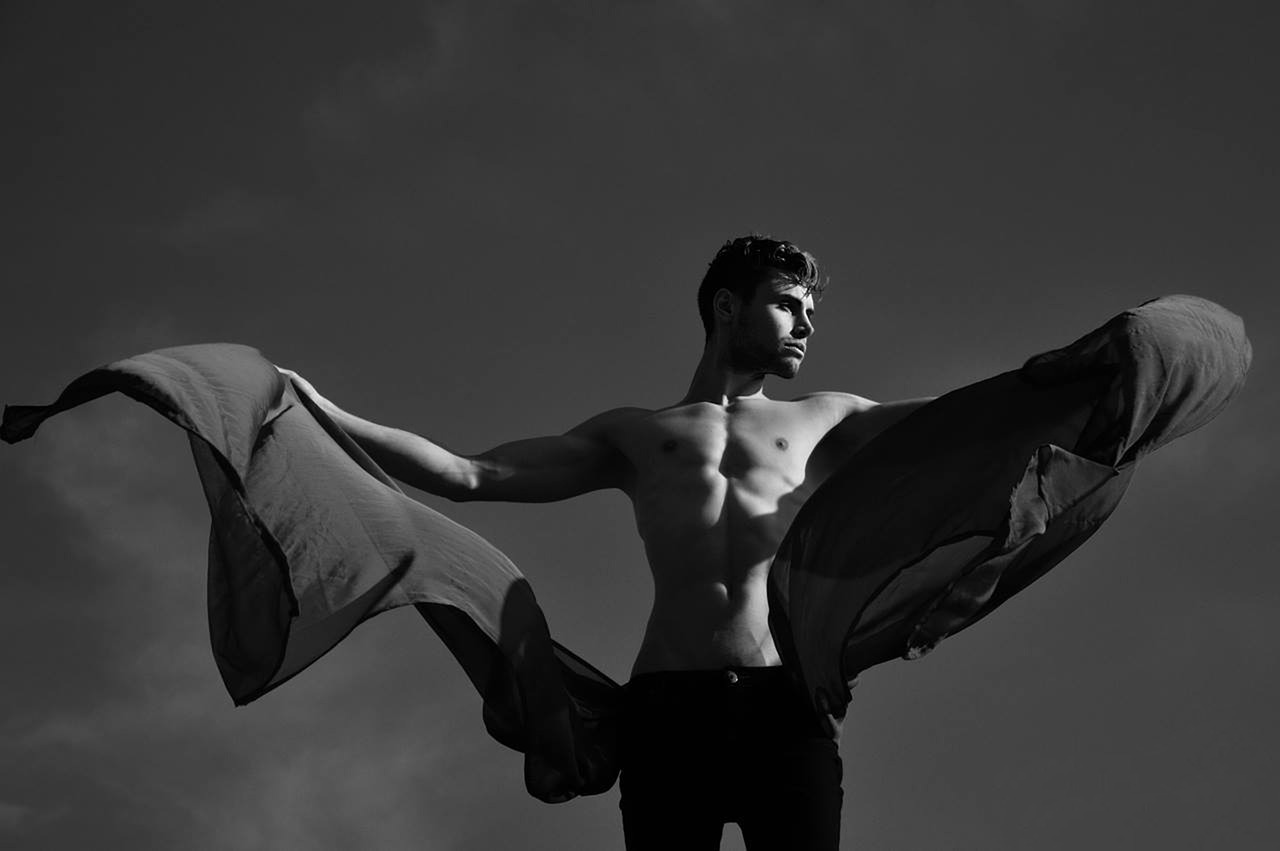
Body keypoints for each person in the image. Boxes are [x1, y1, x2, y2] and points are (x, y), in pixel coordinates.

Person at [281, 235, 934, 850]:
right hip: (669, 712)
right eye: (788, 304)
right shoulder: (636, 435)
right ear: (727, 306)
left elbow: (962, 424)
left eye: (810, 311)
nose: (806, 325)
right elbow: (469, 474)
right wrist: (320, 410)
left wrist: (1020, 387)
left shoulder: (827, 418)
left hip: (784, 709)